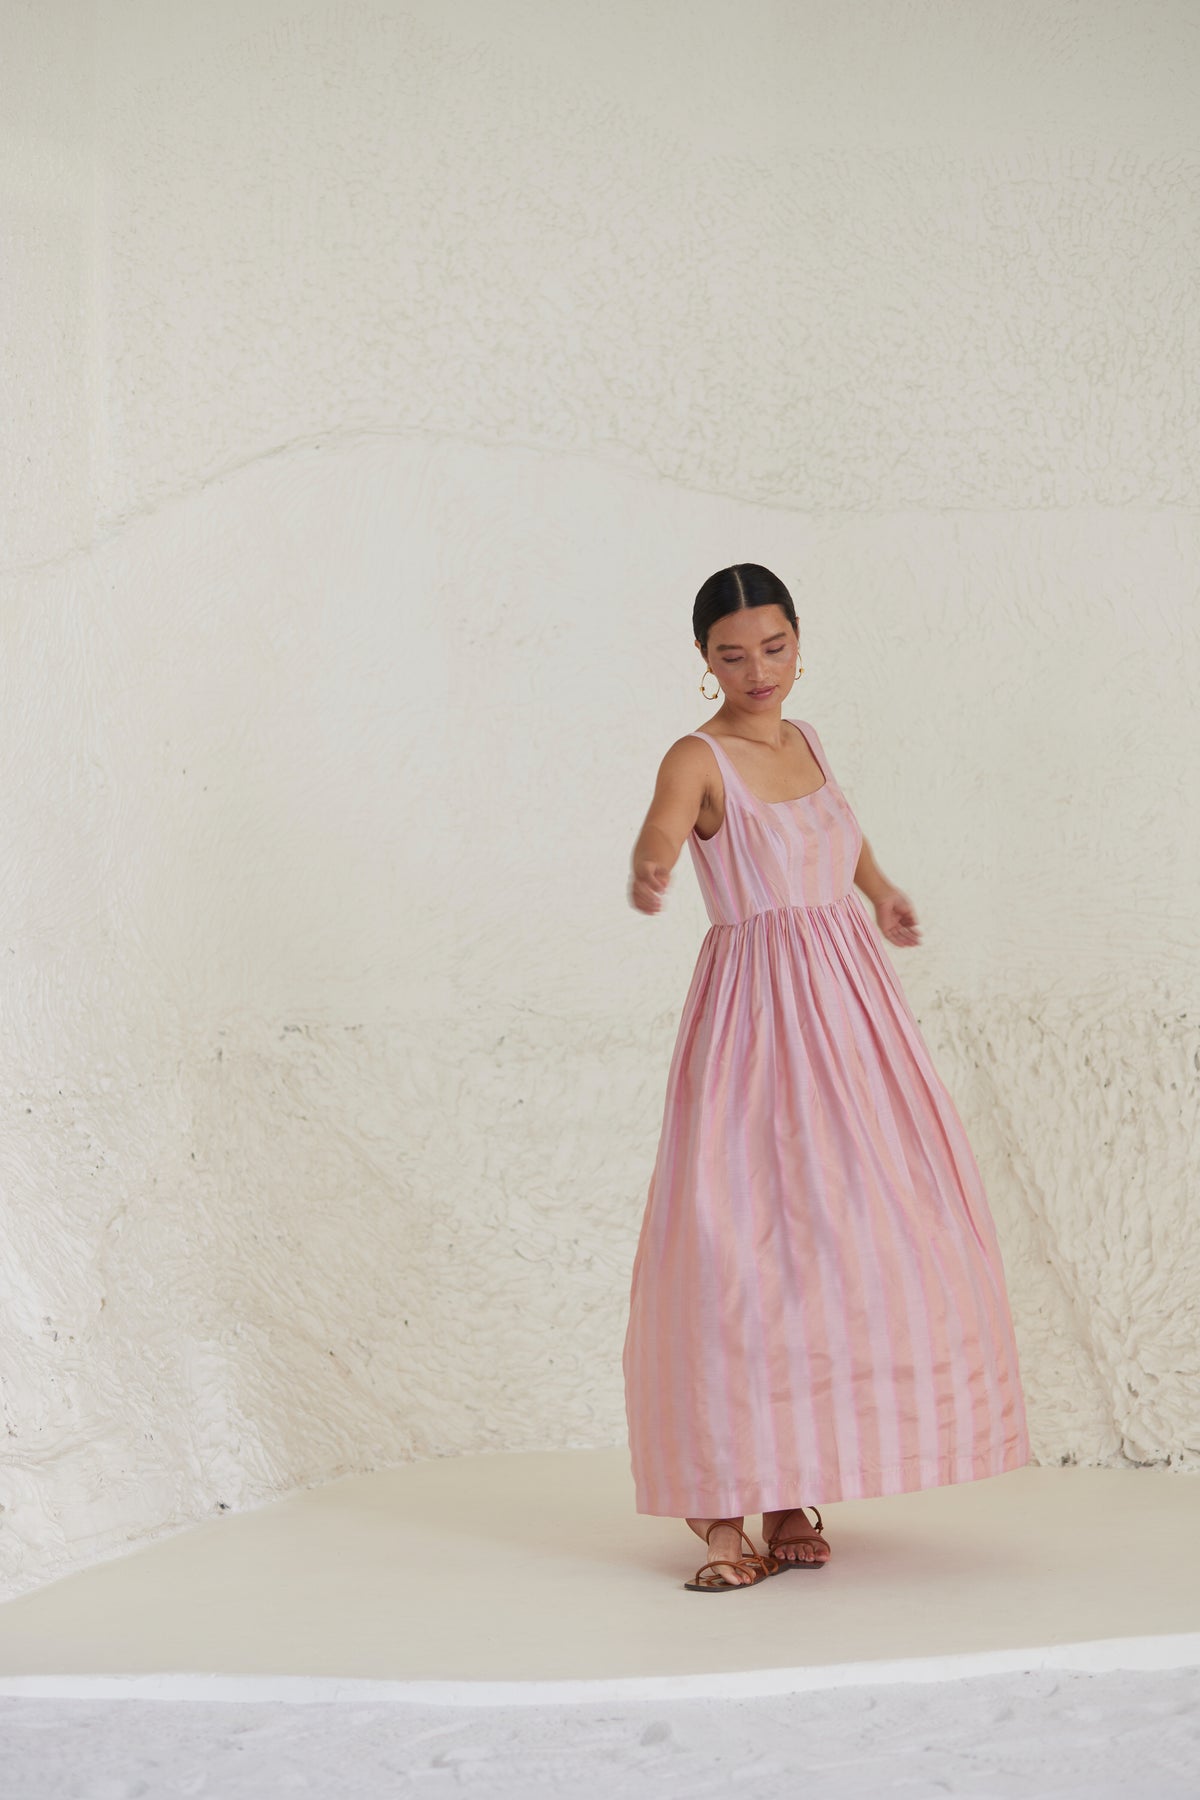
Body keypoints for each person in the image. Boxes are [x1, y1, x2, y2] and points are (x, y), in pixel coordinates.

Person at [622, 564, 1031, 1593]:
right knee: (739, 1246)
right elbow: (664, 825)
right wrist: (654, 864)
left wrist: (885, 894)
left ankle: (791, 1487)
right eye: (731, 653)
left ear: (800, 644)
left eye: (773, 647)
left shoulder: (807, 743)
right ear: (702, 660)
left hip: (852, 1013)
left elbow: (840, 842)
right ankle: (718, 1510)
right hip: (758, 1019)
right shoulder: (698, 753)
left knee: (840, 1240)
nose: (756, 670)